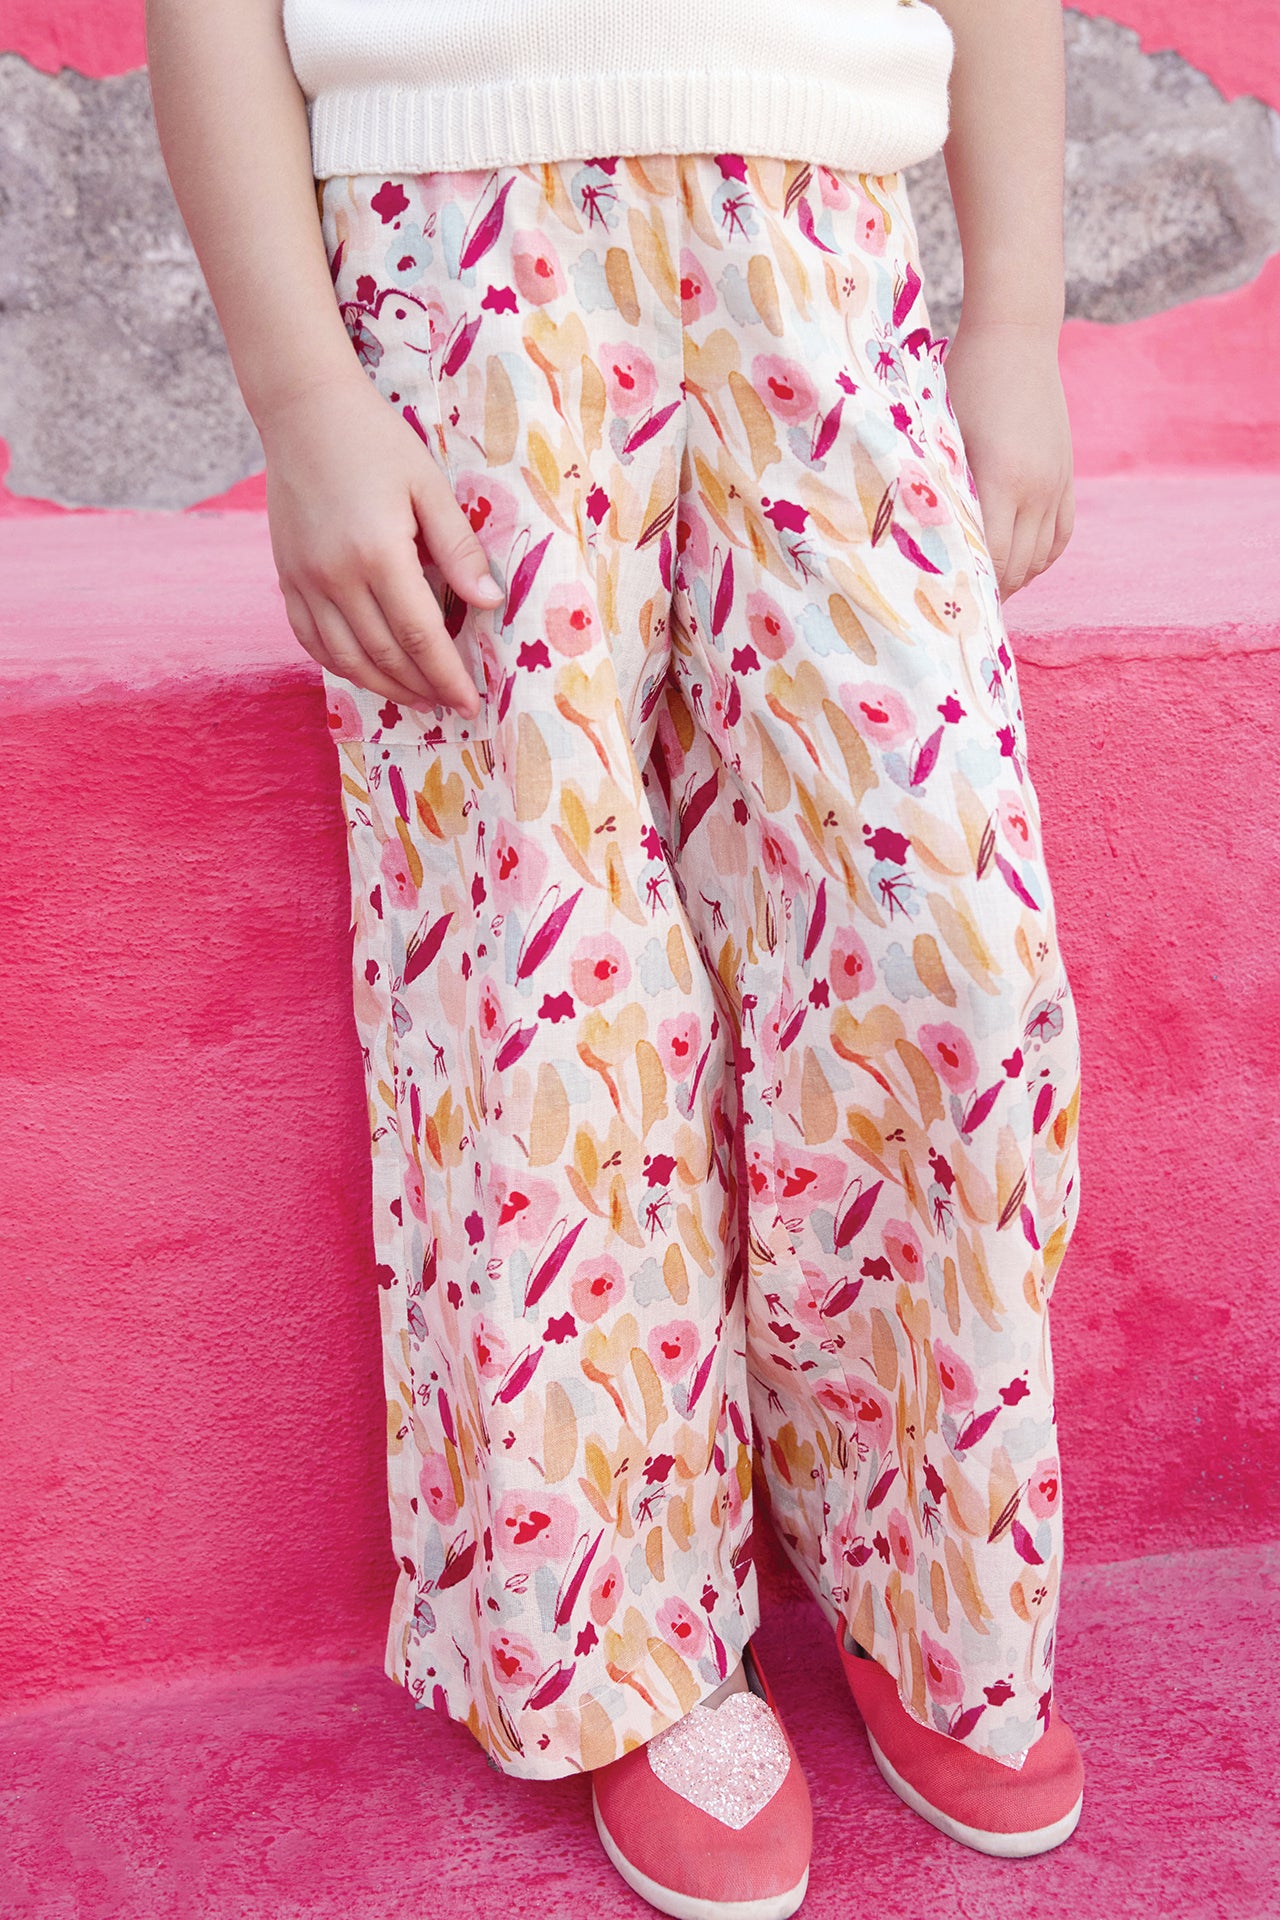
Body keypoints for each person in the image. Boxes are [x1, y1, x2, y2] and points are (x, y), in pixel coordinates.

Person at [147, 1, 1085, 1910]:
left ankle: (930, 1566)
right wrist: (303, 397)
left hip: (826, 246)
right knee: (550, 983)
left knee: (952, 949)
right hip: (458, 251)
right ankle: (643, 1646)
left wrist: (1015, 324)